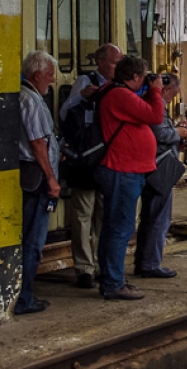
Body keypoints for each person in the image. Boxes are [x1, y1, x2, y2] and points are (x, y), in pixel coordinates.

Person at [94, 56, 165, 300]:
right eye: (143, 77)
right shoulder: (120, 95)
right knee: (120, 228)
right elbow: (155, 115)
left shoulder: (116, 93)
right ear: (135, 77)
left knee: (114, 227)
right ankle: (113, 283)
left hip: (125, 169)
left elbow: (141, 113)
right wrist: (155, 91)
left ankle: (111, 278)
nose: (146, 81)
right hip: (122, 170)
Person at [58, 43, 122, 289]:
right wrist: (81, 97)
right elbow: (65, 113)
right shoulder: (85, 82)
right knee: (82, 216)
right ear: (101, 63)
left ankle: (100, 263)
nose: (118, 67)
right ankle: (84, 267)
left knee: (104, 216)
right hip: (85, 162)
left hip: (108, 159)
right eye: (115, 62)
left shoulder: (119, 86)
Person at [16, 50, 62, 315]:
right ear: (37, 75)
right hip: (36, 177)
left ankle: (24, 295)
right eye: (49, 75)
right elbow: (37, 143)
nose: (53, 80)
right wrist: (51, 178)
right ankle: (24, 298)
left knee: (30, 237)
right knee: (33, 240)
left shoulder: (25, 96)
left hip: (31, 174)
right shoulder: (31, 101)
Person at [135, 74, 187, 279]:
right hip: (158, 166)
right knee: (158, 217)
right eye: (172, 95)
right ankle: (150, 263)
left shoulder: (146, 101)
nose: (171, 99)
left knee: (151, 216)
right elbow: (160, 132)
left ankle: (144, 261)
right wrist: (178, 133)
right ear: (164, 89)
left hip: (152, 165)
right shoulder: (154, 103)